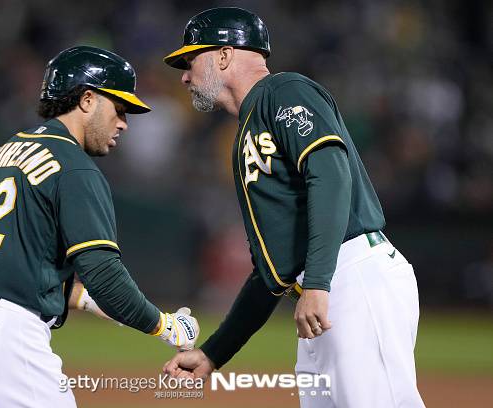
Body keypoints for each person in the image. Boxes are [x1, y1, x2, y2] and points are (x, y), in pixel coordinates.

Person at [162, 7, 425, 408]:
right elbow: (274, 270)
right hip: (320, 295)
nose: (184, 75)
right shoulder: (246, 132)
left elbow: (330, 174)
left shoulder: (284, 91)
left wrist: (318, 282)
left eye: (190, 60)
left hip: (351, 277)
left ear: (224, 55)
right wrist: (214, 352)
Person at [0, 46, 199, 408]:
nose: (123, 123)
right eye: (119, 108)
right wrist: (167, 326)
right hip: (2, 334)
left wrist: (83, 299)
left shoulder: (6, 152)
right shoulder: (74, 165)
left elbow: (20, 262)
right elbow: (104, 275)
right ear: (87, 100)